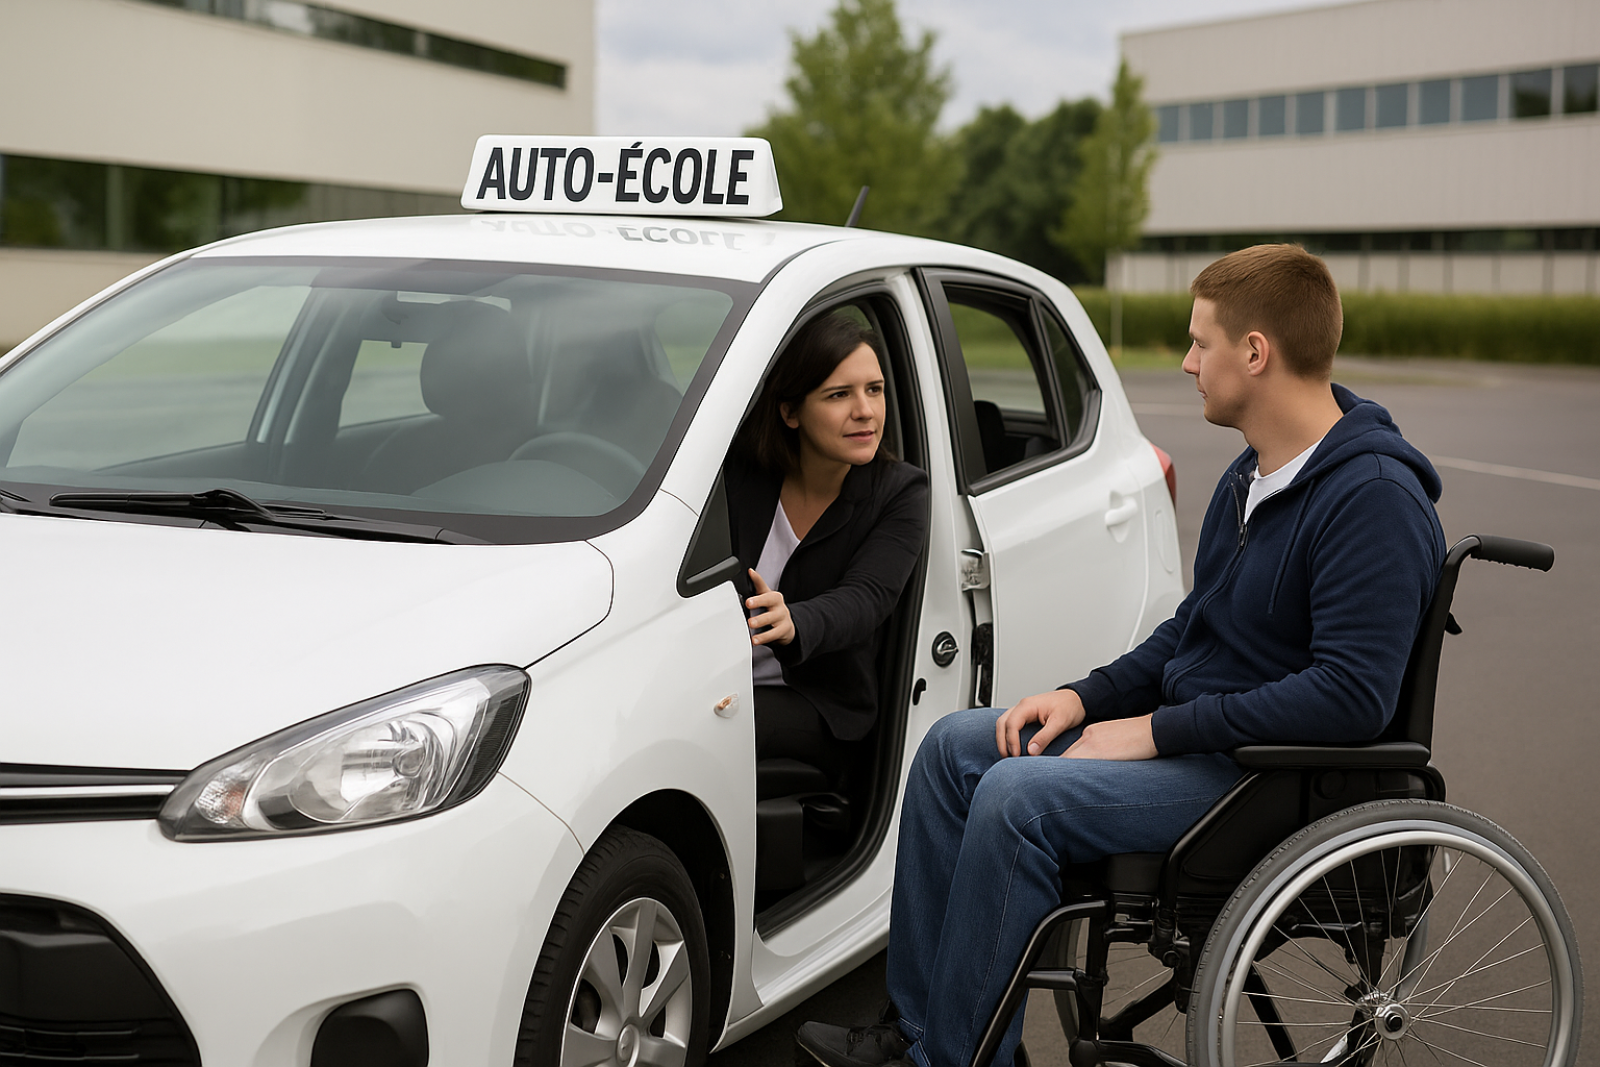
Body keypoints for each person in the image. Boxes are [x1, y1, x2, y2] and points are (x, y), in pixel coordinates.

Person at [796, 244, 1447, 1067]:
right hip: (1213, 751)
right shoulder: (1256, 473)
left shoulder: (1372, 499)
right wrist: (1084, 696)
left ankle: (951, 1060)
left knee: (1017, 798)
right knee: (954, 748)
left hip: (1273, 779)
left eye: (1199, 342)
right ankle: (923, 1031)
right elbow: (1191, 632)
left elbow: (1350, 696)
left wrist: (1157, 730)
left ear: (1255, 352)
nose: (1186, 362)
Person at [728, 312, 930, 778]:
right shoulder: (741, 473)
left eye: (874, 390)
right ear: (790, 411)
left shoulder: (901, 491)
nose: (865, 411)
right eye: (840, 395)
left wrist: (795, 620)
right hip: (719, 680)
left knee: (698, 729)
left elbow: (867, 598)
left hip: (817, 706)